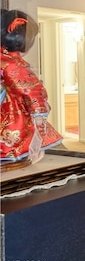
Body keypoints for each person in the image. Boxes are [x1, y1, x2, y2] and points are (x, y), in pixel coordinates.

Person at [1, 9, 63, 165]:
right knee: (24, 137)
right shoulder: (13, 64)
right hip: (12, 109)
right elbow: (30, 90)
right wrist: (39, 113)